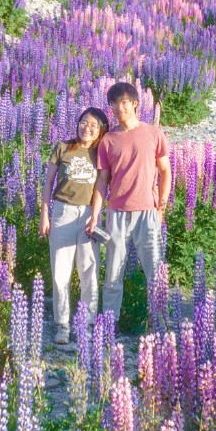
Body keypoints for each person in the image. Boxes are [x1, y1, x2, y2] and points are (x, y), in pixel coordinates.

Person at [88, 80, 172, 325]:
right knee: (113, 274)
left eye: (124, 101)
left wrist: (162, 209)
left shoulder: (154, 133)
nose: (118, 107)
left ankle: (160, 323)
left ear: (135, 103)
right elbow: (102, 181)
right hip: (117, 213)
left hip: (148, 212)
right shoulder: (108, 140)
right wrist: (95, 214)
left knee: (155, 272)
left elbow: (165, 171)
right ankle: (109, 326)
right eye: (114, 102)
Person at [39, 106, 106, 344]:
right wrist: (44, 215)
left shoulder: (102, 153)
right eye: (83, 123)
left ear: (101, 131)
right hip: (62, 211)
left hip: (89, 214)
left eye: (93, 125)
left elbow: (101, 187)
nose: (87, 128)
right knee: (60, 273)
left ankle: (87, 324)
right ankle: (63, 325)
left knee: (89, 271)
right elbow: (47, 183)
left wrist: (95, 216)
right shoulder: (63, 148)